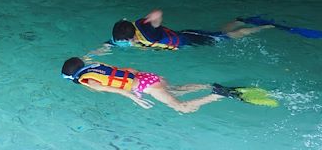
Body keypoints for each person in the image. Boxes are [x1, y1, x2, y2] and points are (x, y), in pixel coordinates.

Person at [61, 56, 224, 113]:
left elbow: (110, 88)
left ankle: (218, 95)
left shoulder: (89, 80)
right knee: (176, 89)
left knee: (182, 108)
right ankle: (210, 85)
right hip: (147, 77)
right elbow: (129, 70)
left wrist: (133, 97)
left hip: (148, 87)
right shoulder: (96, 66)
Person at [106, 9, 274, 51]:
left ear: (133, 35)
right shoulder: (131, 28)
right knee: (219, 33)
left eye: (128, 41)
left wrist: (152, 18)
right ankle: (238, 20)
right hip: (183, 37)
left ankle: (264, 27)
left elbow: (158, 13)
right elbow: (112, 42)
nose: (129, 43)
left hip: (189, 38)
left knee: (226, 37)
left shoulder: (150, 32)